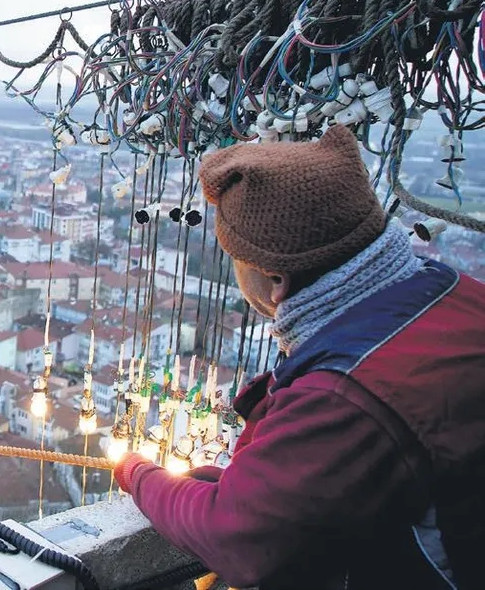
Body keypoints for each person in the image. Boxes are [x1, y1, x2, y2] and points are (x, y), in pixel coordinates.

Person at [112, 124, 485, 590]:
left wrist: (138, 474)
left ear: (276, 279)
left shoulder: (343, 392)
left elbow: (236, 538)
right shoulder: (456, 293)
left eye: (237, 261)